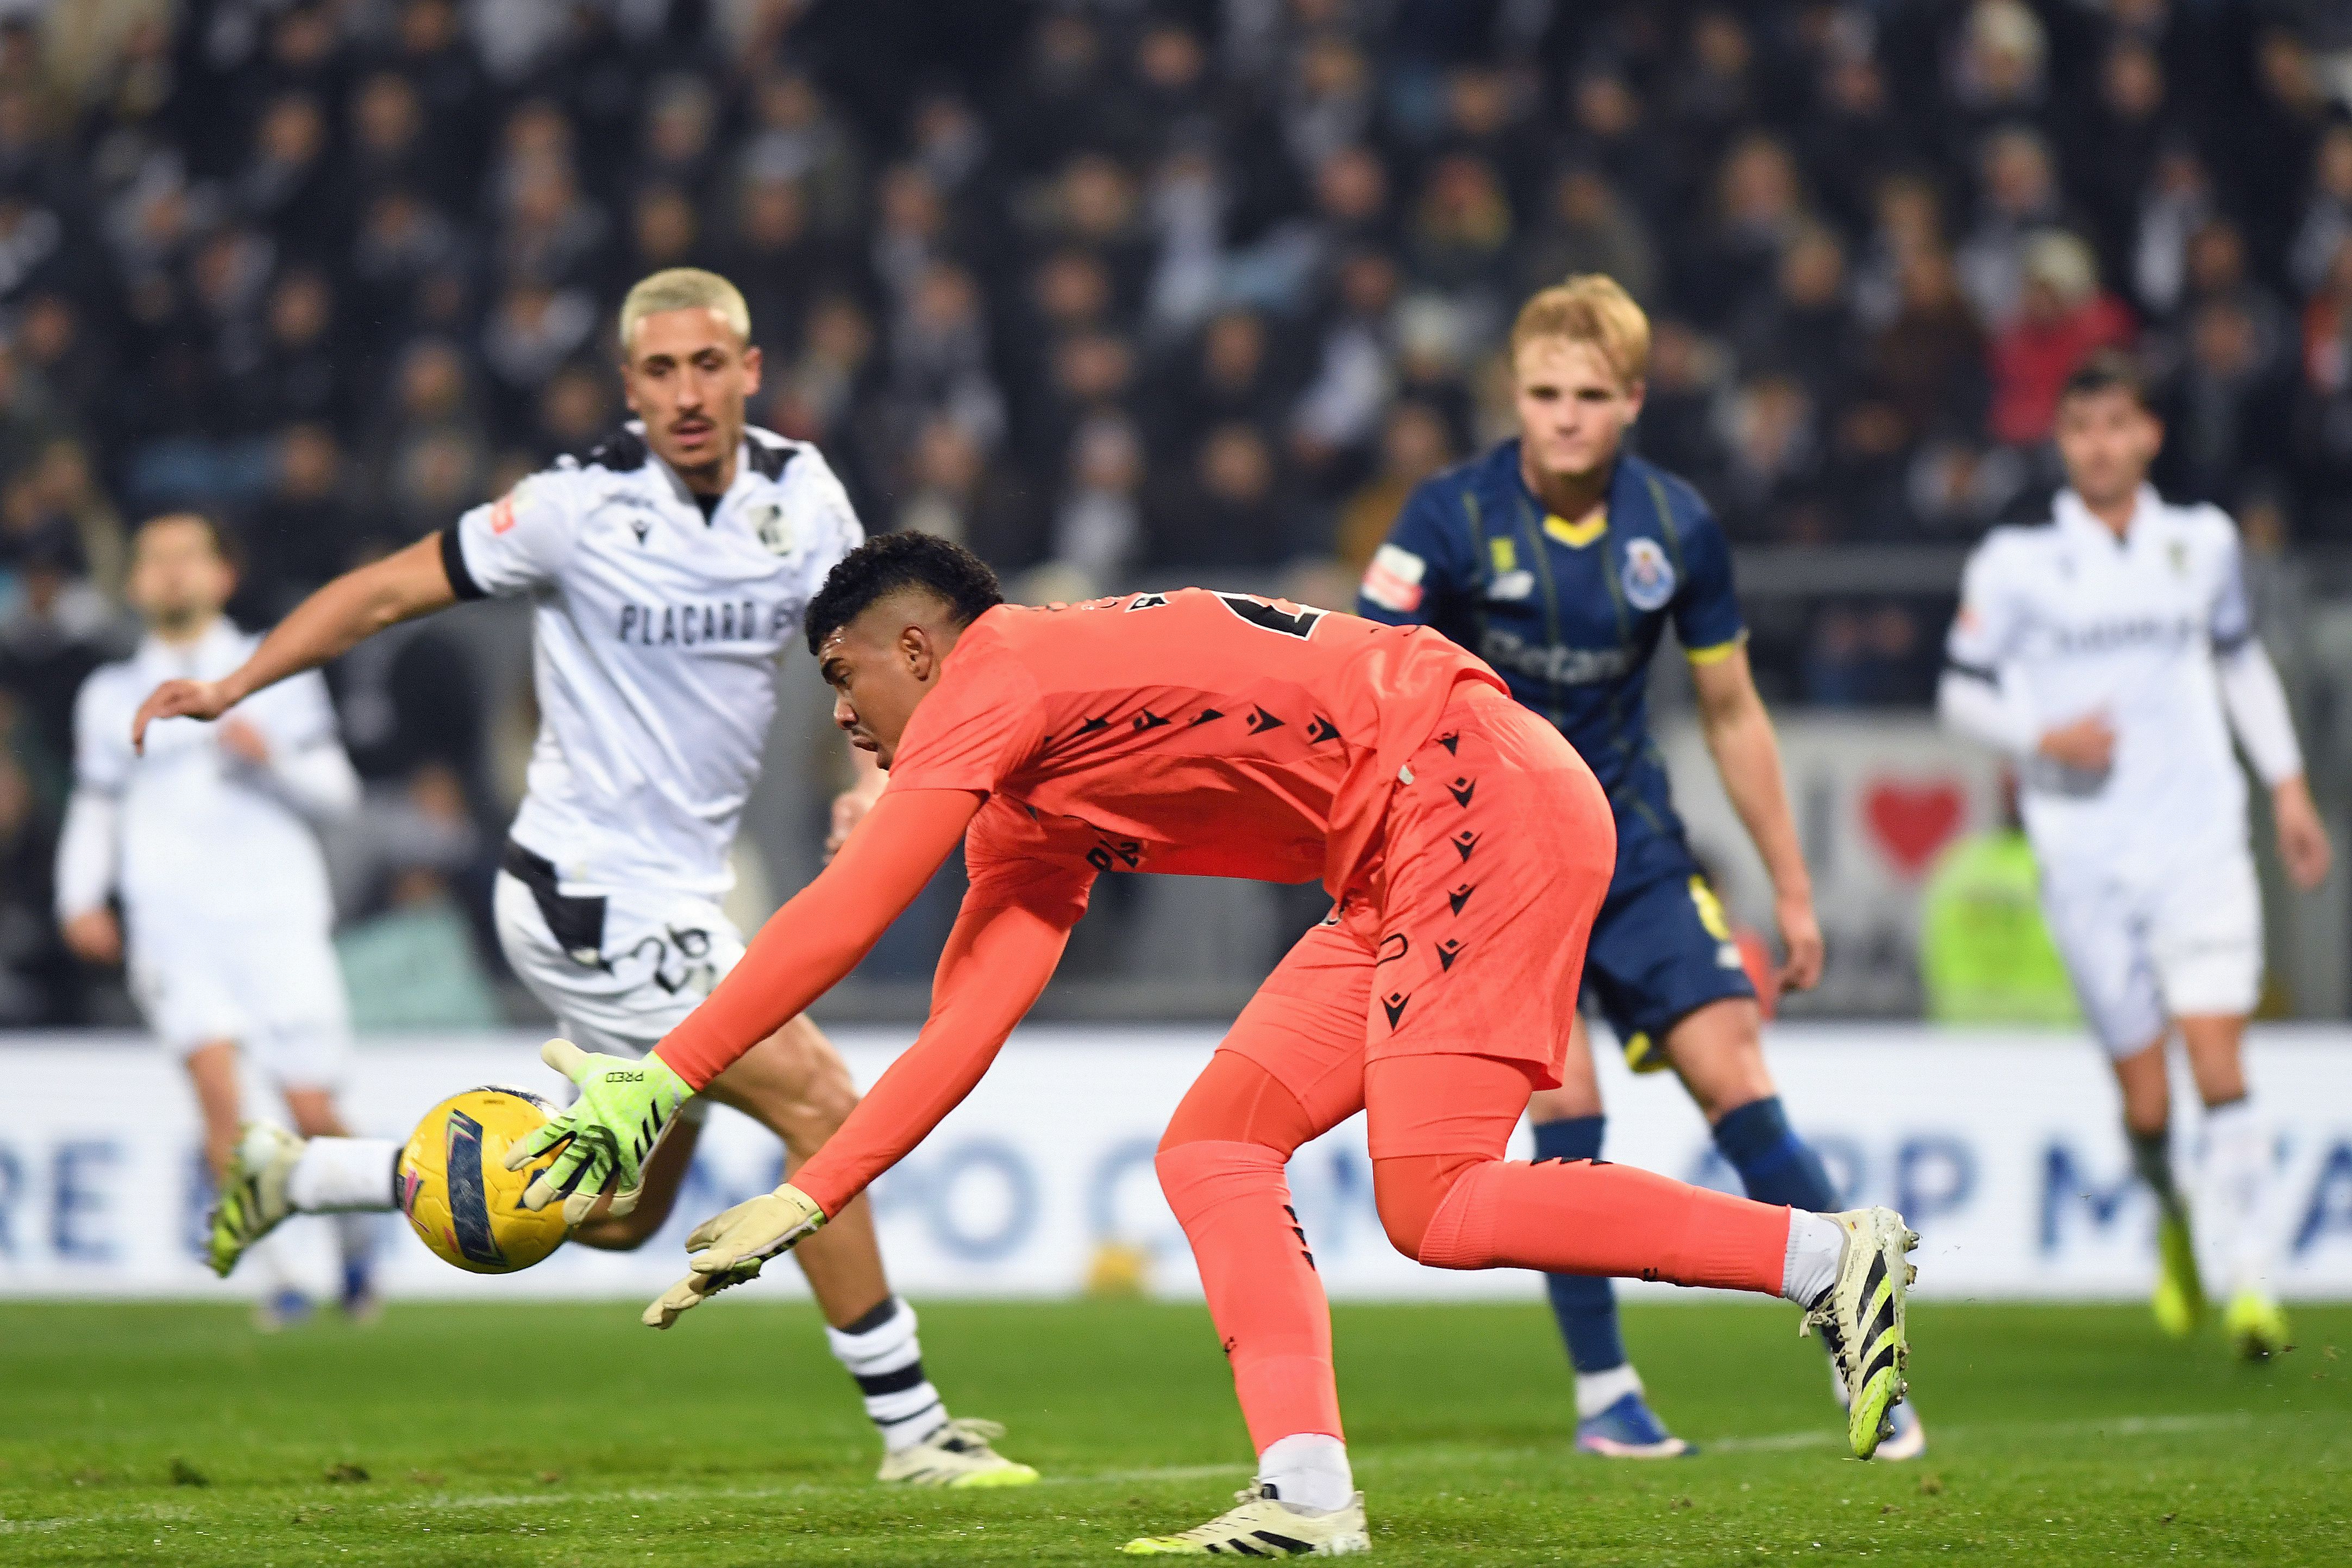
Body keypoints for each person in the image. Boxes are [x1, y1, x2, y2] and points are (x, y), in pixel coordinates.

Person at [501, 533, 1920, 1557]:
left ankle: (1817, 1256)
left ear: (916, 647)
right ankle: (1307, 1492)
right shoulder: (1027, 810)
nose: (842, 713)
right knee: (1216, 1145)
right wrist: (810, 1193)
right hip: (1400, 847)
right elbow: (958, 1033)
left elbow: (851, 906)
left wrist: (665, 1072)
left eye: (843, 672)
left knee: (1434, 1200)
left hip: (1465, 790)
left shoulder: (997, 662)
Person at [128, 269, 1030, 1488]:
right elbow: (387, 589)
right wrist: (239, 684)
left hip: (680, 888)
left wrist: (875, 779)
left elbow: (866, 648)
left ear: (750, 372)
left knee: (614, 1210)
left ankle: (301, 1173)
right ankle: (913, 1431)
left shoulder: (803, 496)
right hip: (589, 888)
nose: (686, 392)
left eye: (707, 364)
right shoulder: (573, 508)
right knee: (819, 1097)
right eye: (659, 372)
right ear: (629, 388)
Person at [1351, 277, 1919, 1459]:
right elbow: (1367, 686)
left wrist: (1792, 886)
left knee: (1733, 1072)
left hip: (1632, 847)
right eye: (1543, 393)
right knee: (1567, 1106)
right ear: (1513, 395)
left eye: (1588, 397)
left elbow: (1730, 710)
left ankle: (1852, 1328)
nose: (1562, 417)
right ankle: (1606, 1394)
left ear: (1632, 403)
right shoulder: (1446, 519)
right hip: (1497, 865)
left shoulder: (1676, 527)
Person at [1938, 350, 2331, 1358]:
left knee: (2217, 1055)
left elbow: (2238, 660)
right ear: (2061, 442)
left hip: (2199, 839)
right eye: (2081, 429)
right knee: (2145, 1098)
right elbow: (1961, 693)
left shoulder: (2200, 543)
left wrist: (2285, 785)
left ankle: (2252, 1280)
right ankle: (2171, 1216)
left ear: (2148, 433)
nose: (2100, 445)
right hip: (2083, 855)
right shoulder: (2017, 562)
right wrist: (2043, 737)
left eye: (2117, 424)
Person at [57, 513, 375, 1329]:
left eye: (186, 556)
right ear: (132, 583)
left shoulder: (276, 668)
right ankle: (281, 1280)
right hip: (173, 925)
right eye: (152, 558)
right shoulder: (106, 695)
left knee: (310, 1111)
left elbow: (340, 795)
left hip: (274, 916)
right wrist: (80, 897)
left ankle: (352, 1251)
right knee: (219, 1099)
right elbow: (97, 805)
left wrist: (273, 757)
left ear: (222, 575)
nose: (169, 572)